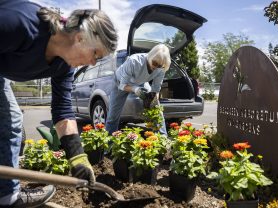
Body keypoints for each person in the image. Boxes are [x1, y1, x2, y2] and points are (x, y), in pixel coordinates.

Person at [0, 0, 118, 207]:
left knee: (11, 122)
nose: (92, 63)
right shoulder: (20, 23)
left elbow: (63, 111)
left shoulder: (64, 66)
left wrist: (78, 157)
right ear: (80, 38)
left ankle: (6, 198)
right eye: (95, 54)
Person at [105, 44, 171, 136]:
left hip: (140, 82)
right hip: (120, 82)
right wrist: (135, 89)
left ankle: (162, 138)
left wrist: (153, 102)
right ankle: (108, 146)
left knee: (156, 108)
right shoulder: (134, 61)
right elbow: (122, 85)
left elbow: (156, 89)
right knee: (113, 116)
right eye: (155, 63)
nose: (156, 67)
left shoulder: (161, 69)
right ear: (150, 56)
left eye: (159, 65)